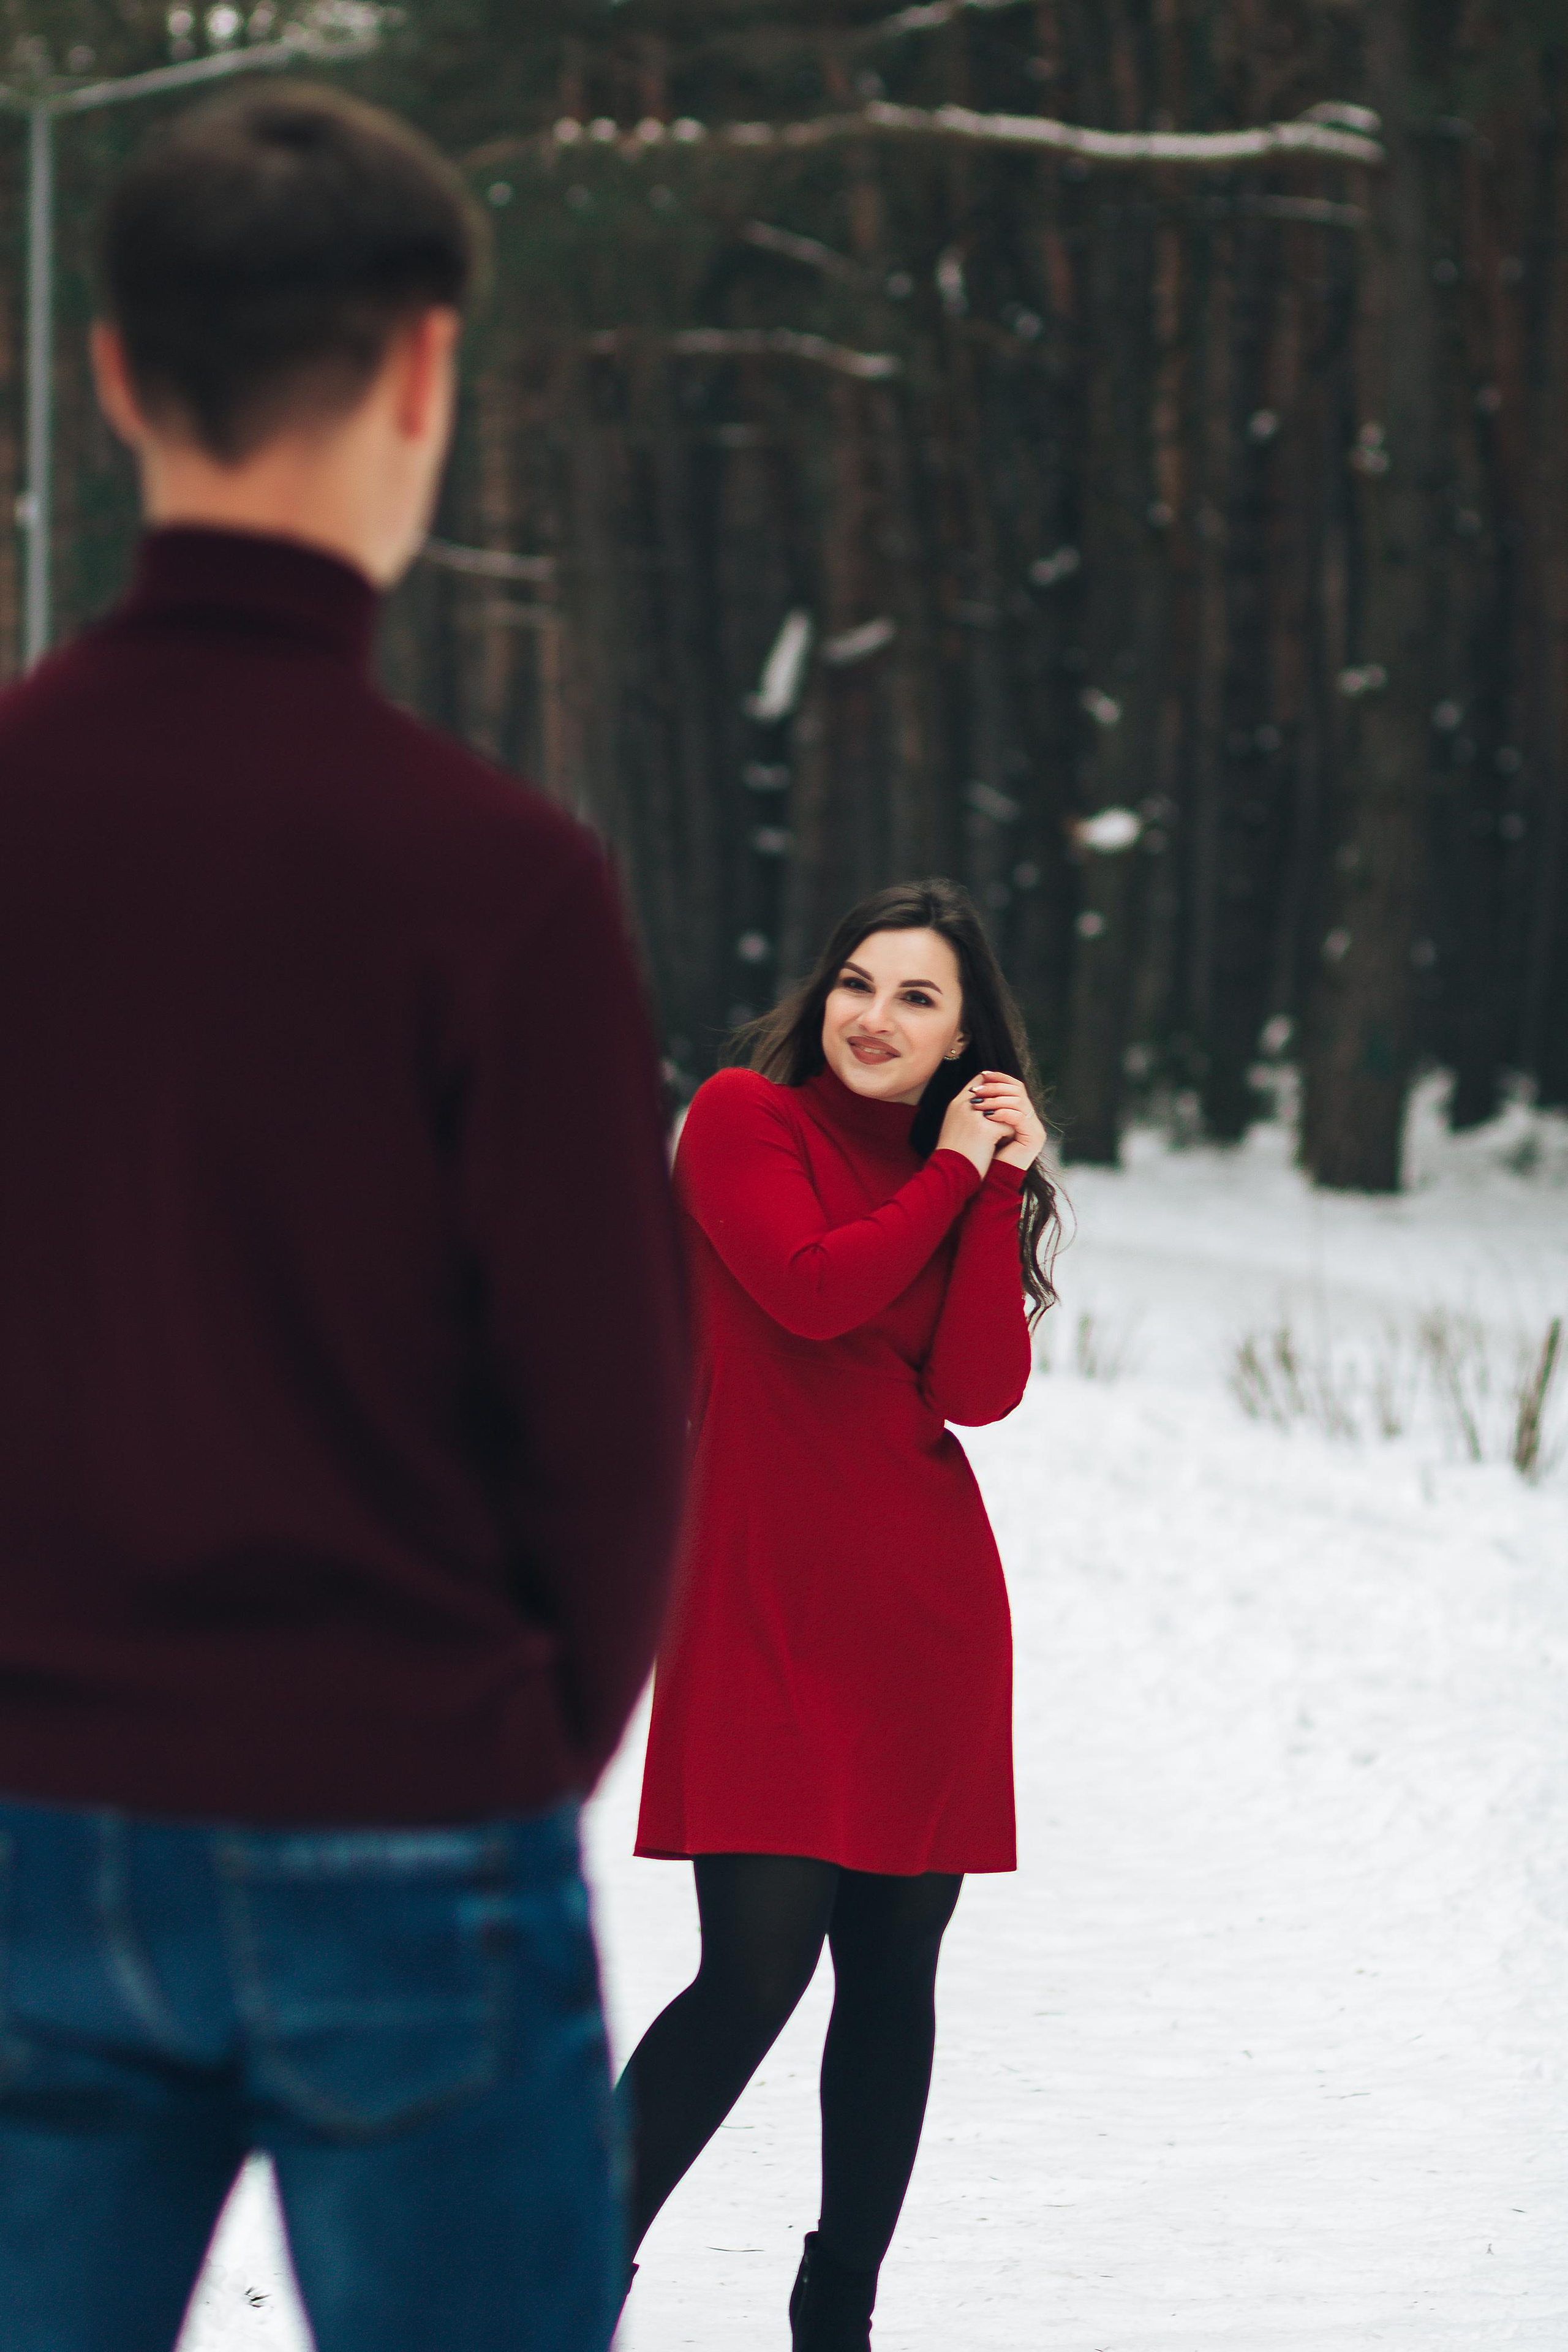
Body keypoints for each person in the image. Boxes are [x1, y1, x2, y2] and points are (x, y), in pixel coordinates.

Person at [0, 86, 687, 2352]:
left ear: (109, 377)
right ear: (423, 371)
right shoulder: (496, 884)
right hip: (404, 1818)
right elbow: (607, 1443)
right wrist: (493, 1752)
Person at [624, 878, 1061, 2347]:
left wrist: (997, 1187)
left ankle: (836, 2314)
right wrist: (949, 1174)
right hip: (754, 1595)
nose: (874, 1016)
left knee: (891, 1981)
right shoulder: (746, 1119)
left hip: (920, 1611)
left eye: (917, 997)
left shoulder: (954, 1169)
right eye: (856, 983)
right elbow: (809, 1293)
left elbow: (975, 1390)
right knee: (748, 1974)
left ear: (960, 1038)